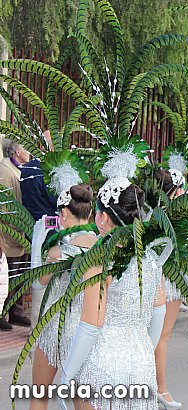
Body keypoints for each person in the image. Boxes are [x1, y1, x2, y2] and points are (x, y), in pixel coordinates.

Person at [61, 179, 168, 410]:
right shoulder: (149, 258)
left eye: (97, 212)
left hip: (102, 363)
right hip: (141, 363)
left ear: (103, 218)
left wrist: (67, 375)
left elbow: (91, 325)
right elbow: (159, 312)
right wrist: (144, 350)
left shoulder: (99, 260)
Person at [30, 184, 97, 410]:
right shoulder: (101, 246)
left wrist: (38, 241)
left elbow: (37, 283)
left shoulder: (58, 252)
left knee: (39, 397)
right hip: (86, 333)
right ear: (89, 212)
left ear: (65, 213)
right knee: (84, 402)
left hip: (54, 331)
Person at [153, 169, 187, 410]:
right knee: (161, 338)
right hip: (166, 280)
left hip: (155, 279)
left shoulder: (149, 215)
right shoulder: (171, 219)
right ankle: (160, 388)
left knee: (153, 337)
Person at [0, 138, 30, 329]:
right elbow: (4, 207)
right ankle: (3, 312)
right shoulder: (4, 171)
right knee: (7, 277)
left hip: (20, 232)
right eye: (26, 149)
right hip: (9, 234)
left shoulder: (17, 169)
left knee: (20, 275)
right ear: (17, 151)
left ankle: (16, 311)